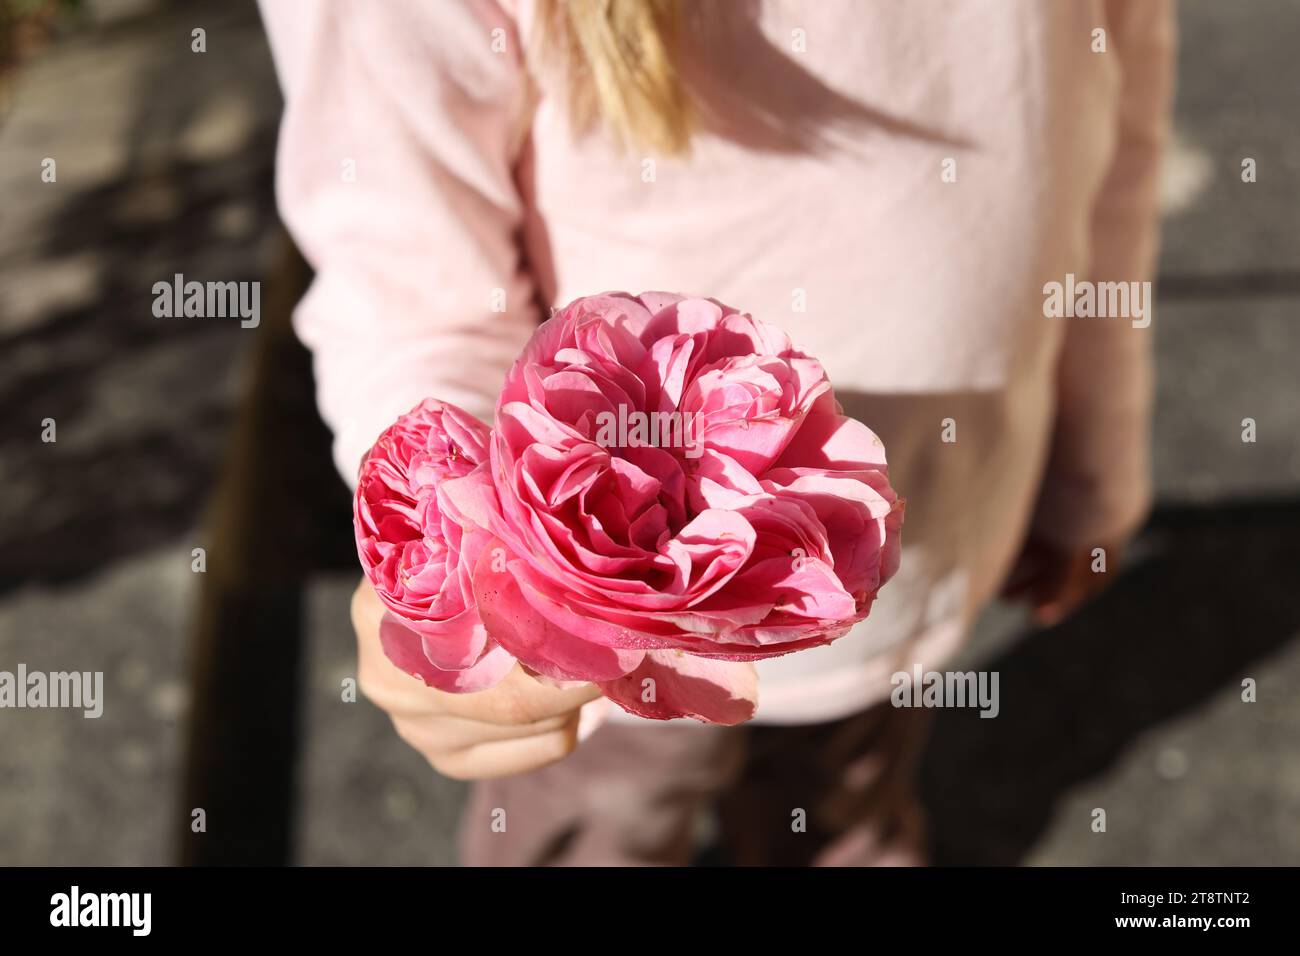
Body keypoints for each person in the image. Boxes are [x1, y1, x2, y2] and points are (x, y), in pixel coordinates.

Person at [259, 0, 1173, 865]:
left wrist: (1095, 467)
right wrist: (458, 572)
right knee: (602, 824)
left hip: (927, 542)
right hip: (604, 648)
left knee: (846, 789)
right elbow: (411, 289)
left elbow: (1109, 150)